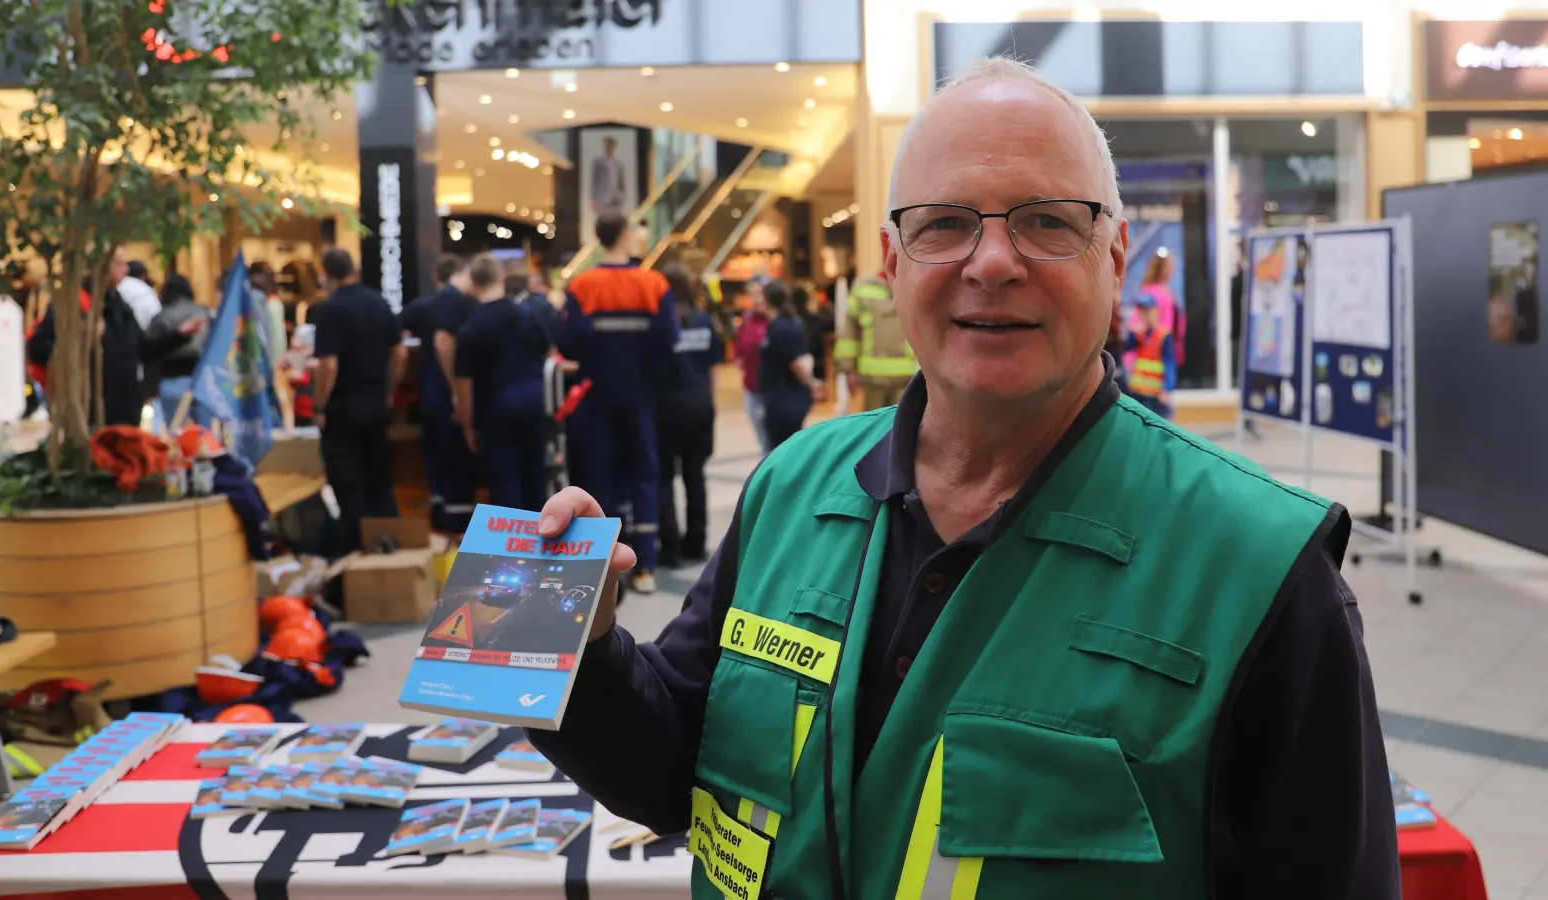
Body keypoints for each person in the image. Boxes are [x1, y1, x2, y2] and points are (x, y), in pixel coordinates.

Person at [525, 56, 1398, 900]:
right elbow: (673, 763)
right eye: (944, 222)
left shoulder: (1261, 571)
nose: (991, 262)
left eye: (1048, 219)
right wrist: (584, 650)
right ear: (894, 261)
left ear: (1117, 256)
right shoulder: (789, 488)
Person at [558, 213, 679, 595]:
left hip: (596, 397)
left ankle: (603, 569)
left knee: (600, 479)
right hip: (641, 395)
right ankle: (644, 569)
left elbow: (567, 341)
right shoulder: (653, 283)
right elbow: (668, 339)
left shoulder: (582, 285)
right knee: (644, 476)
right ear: (626, 235)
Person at [311, 248, 406, 557]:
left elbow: (329, 365)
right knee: (380, 479)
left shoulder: (330, 310)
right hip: (376, 406)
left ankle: (358, 555)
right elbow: (400, 353)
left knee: (349, 483)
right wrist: (389, 389)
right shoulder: (379, 303)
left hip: (343, 411)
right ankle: (390, 545)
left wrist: (319, 405)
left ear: (327, 274)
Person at [454, 253, 551, 512]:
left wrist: (467, 425)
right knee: (535, 477)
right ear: (503, 278)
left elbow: (464, 385)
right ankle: (542, 543)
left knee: (505, 481)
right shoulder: (527, 315)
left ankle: (511, 549)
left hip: (496, 407)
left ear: (473, 283)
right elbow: (548, 353)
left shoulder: (471, 329)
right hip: (533, 399)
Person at [27, 246, 149, 427]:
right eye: (120, 264)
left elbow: (141, 346)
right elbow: (37, 349)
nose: (127, 269)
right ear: (102, 266)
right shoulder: (74, 302)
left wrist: (176, 336)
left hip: (124, 412)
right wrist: (83, 338)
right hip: (88, 413)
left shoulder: (119, 304)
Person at [403, 255, 474, 536]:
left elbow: (398, 334)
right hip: (455, 391)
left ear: (436, 278)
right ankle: (461, 526)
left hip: (429, 389)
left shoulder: (422, 306)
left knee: (435, 455)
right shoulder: (466, 304)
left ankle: (439, 516)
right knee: (458, 458)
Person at [657, 266, 720, 567]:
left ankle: (670, 546)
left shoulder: (661, 325)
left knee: (664, 477)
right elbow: (714, 368)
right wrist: (710, 401)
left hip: (667, 408)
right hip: (700, 406)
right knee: (696, 475)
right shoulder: (705, 321)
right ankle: (696, 542)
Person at [834, 273, 917, 412]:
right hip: (872, 380)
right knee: (874, 427)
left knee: (902, 425)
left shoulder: (915, 282)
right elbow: (850, 333)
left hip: (907, 378)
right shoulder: (862, 289)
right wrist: (848, 369)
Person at [758, 280, 825, 450]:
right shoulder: (782, 325)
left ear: (767, 301)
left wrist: (811, 383)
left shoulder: (783, 328)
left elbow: (797, 362)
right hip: (782, 396)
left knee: (782, 448)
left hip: (786, 398)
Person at [141, 274, 212, 428]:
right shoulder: (204, 313)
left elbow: (149, 352)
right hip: (203, 382)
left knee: (176, 432)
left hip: (172, 380)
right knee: (206, 435)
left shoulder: (161, 317)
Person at [732, 279, 772, 455]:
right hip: (752, 390)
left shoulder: (775, 322)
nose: (756, 300)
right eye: (753, 295)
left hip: (772, 392)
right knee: (764, 441)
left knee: (774, 442)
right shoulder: (747, 321)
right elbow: (738, 347)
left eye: (760, 294)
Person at [1122, 293, 1176, 417]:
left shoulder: (1164, 335)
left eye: (1147, 311)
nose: (1144, 315)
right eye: (1141, 312)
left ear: (1156, 311)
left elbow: (1169, 363)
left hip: (1155, 394)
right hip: (1138, 391)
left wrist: (1167, 388)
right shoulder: (1138, 334)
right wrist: (1131, 334)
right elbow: (1125, 349)